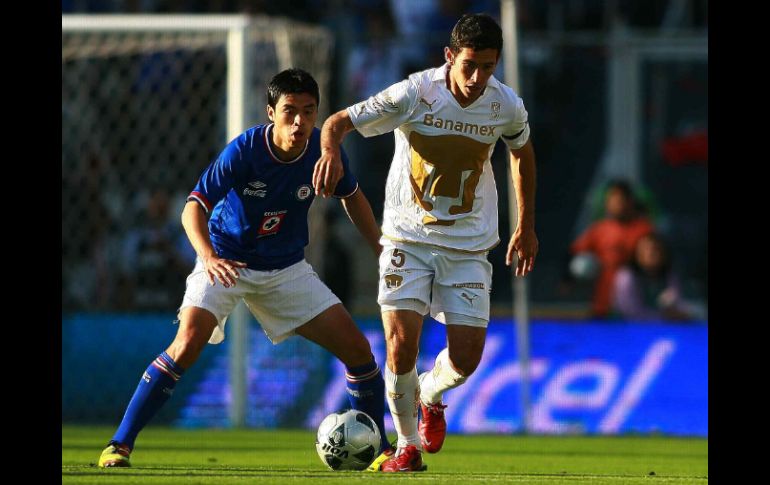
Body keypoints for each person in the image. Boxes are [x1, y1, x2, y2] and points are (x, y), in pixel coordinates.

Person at [98, 68, 393, 467]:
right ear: (271, 111)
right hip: (226, 259)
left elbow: (352, 195)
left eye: (309, 111)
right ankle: (120, 444)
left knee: (359, 352)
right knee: (187, 342)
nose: (300, 121)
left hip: (286, 269)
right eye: (290, 110)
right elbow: (192, 208)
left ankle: (380, 450)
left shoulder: (322, 152)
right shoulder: (245, 150)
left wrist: (378, 246)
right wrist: (208, 257)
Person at [314, 13, 538, 472]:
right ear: (449, 56)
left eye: (489, 68)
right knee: (400, 344)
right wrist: (330, 152)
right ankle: (406, 446)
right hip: (406, 236)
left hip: (469, 244)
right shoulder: (414, 92)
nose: (478, 78)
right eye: (470, 65)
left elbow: (521, 154)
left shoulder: (505, 105)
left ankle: (430, 393)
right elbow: (337, 122)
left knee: (467, 357)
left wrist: (525, 224)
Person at [569, 179, 654, 318]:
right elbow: (575, 252)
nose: (614, 205)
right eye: (610, 200)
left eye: (619, 200)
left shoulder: (644, 230)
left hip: (635, 310)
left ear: (630, 202)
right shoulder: (599, 229)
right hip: (602, 306)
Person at [612, 232, 699, 321]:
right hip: (628, 328)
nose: (650, 253)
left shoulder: (670, 275)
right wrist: (664, 317)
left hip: (665, 329)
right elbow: (631, 313)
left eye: (655, 250)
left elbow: (678, 303)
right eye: (645, 249)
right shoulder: (626, 277)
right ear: (637, 253)